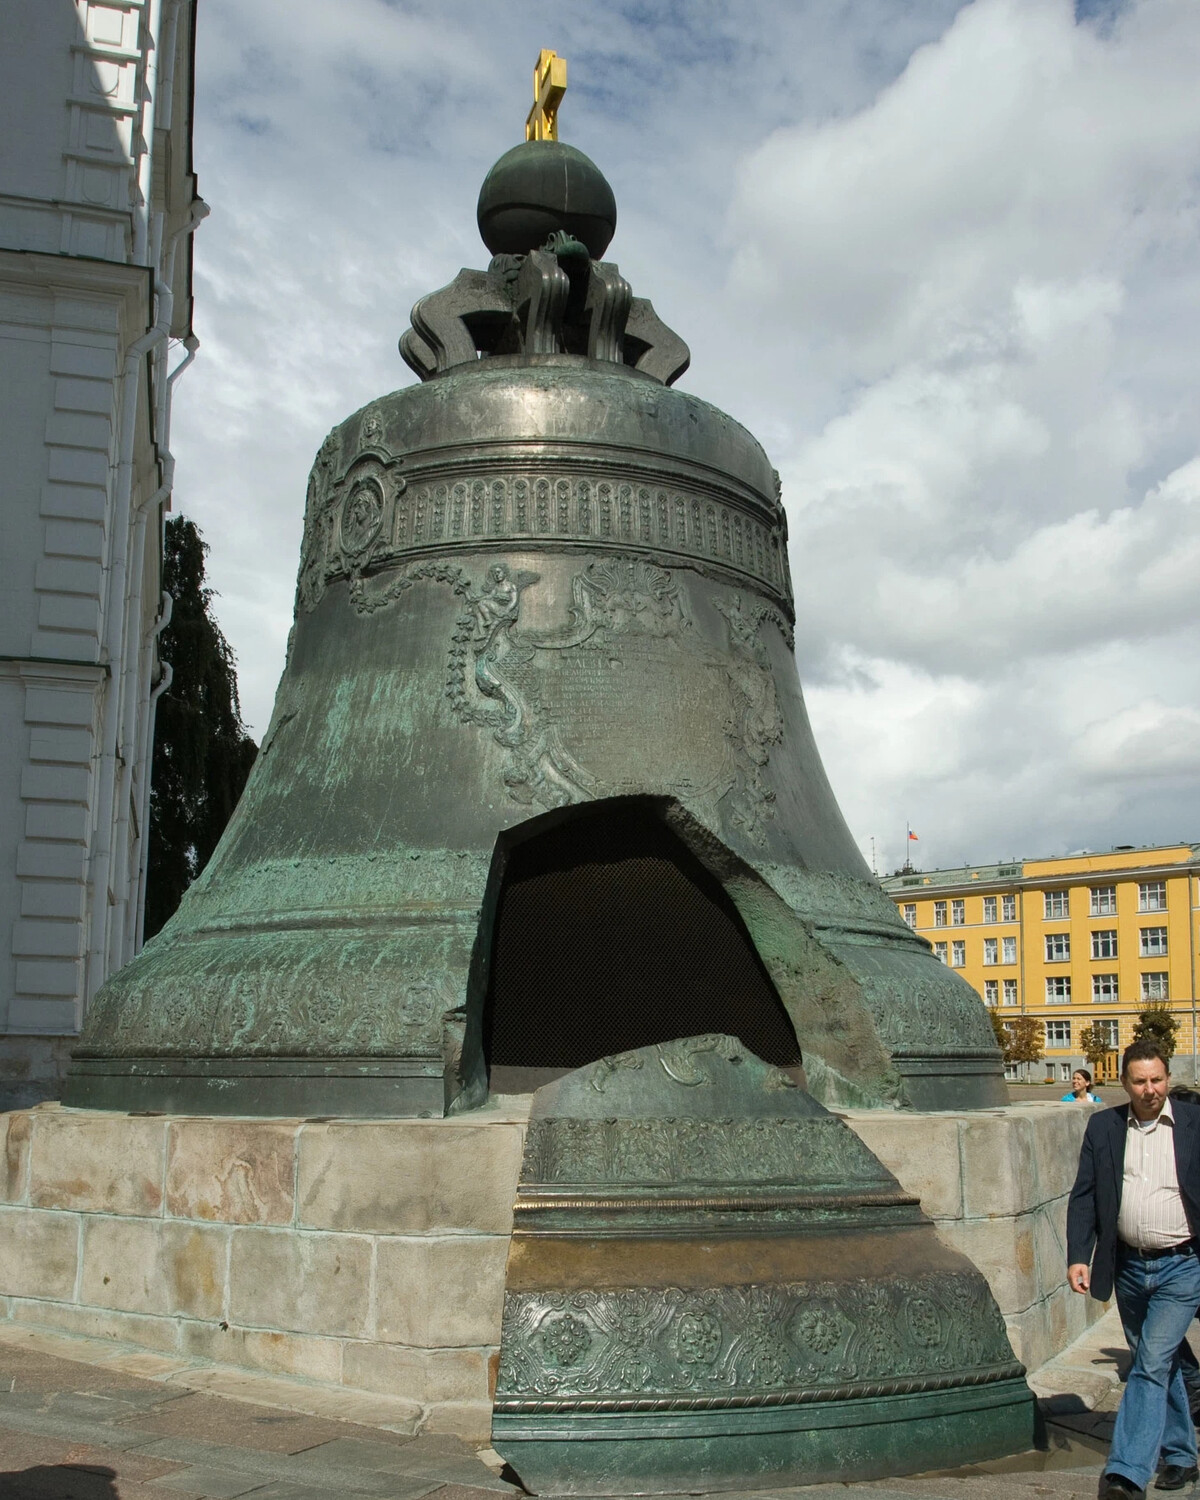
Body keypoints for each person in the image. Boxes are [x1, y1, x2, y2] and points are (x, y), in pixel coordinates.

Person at [1068, 1041, 1200, 1496]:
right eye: (1140, 1081)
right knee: (1157, 1364)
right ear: (1124, 1083)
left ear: (1167, 1078)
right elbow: (1084, 1195)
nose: (1150, 1090)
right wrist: (1077, 1257)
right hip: (1127, 1268)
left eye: (1158, 1080)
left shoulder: (1194, 1124)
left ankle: (1126, 1471)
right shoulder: (1104, 1126)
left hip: (1182, 1266)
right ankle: (1182, 1454)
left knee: (1149, 1362)